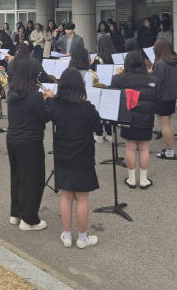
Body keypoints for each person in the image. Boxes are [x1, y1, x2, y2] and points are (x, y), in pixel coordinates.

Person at [51, 68, 101, 249]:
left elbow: (52, 116)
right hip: (83, 156)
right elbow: (99, 127)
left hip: (62, 155)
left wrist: (52, 98)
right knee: (82, 197)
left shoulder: (56, 105)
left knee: (65, 196)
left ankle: (66, 235)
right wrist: (87, 102)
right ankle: (82, 237)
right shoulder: (86, 108)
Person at [7, 58, 54, 230]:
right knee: (33, 179)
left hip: (12, 139)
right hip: (30, 141)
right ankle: (29, 219)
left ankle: (16, 213)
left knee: (17, 176)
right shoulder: (34, 95)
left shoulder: (12, 90)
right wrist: (50, 99)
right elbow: (45, 117)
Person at [111, 51, 158, 189]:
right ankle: (143, 180)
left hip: (128, 118)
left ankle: (131, 179)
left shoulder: (120, 79)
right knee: (144, 149)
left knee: (130, 148)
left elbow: (112, 93)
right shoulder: (152, 79)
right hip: (147, 118)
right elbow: (157, 97)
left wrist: (118, 74)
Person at [152, 38, 177, 160]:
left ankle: (169, 151)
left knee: (164, 125)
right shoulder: (174, 60)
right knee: (168, 123)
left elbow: (157, 82)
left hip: (162, 96)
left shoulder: (160, 63)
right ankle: (170, 148)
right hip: (172, 95)